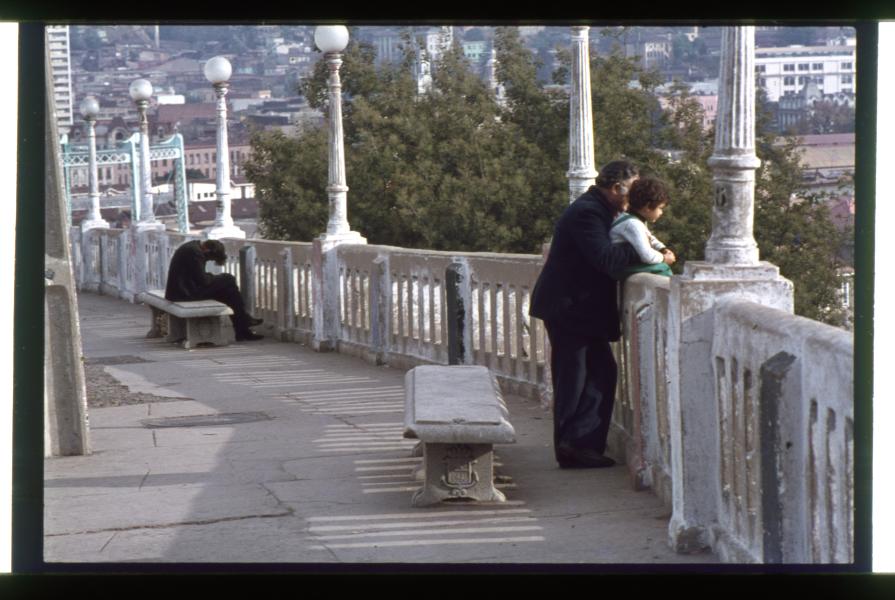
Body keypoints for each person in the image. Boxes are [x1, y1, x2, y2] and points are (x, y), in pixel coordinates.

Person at [529, 160, 642, 469]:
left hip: (577, 309)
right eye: (632, 190)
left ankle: (580, 445)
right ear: (617, 188)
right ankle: (572, 447)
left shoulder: (597, 209)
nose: (634, 198)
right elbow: (605, 259)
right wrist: (643, 249)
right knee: (575, 378)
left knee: (597, 373)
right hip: (569, 309)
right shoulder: (588, 212)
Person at [164, 239, 264, 342]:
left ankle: (242, 330)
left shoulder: (193, 247)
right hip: (184, 293)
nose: (207, 260)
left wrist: (215, 278)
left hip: (183, 291)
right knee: (229, 280)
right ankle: (243, 326)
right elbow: (203, 281)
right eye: (209, 259)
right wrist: (218, 277)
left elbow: (199, 277)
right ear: (207, 250)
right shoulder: (195, 253)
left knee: (229, 292)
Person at [609, 176, 676, 280]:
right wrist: (664, 258)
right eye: (660, 208)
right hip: (622, 267)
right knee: (663, 268)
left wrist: (662, 248)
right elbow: (646, 255)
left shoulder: (633, 219)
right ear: (648, 206)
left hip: (625, 265)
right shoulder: (632, 224)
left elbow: (649, 237)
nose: (661, 213)